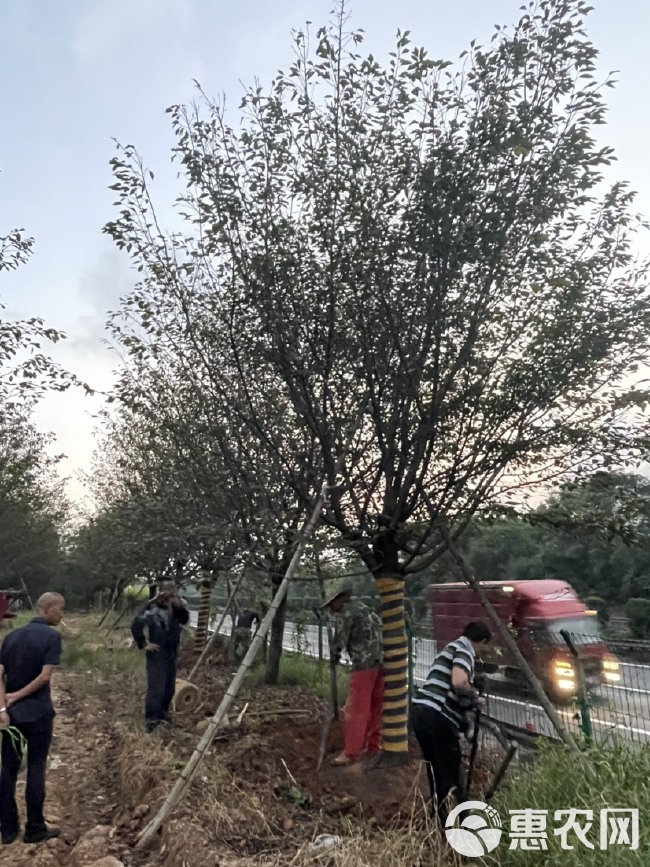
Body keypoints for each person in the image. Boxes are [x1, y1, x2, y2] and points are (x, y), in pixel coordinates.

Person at [410, 621, 492, 826]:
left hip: (421, 712)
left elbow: (459, 704)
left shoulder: (450, 648)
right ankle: (458, 824)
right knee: (450, 772)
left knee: (436, 770)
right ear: (481, 642)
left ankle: (441, 820)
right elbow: (459, 683)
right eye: (485, 647)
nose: (483, 653)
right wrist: (476, 697)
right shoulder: (464, 650)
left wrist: (469, 727)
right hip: (437, 714)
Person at [0, 592, 65, 845]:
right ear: (47, 608)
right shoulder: (51, 637)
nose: (62, 614)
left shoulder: (11, 636)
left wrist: (3, 708)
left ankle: (7, 829)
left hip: (11, 718)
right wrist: (16, 697)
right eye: (60, 609)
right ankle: (35, 828)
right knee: (36, 767)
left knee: (8, 769)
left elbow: (0, 674)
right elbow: (45, 677)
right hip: (38, 714)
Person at [323, 586, 383, 766]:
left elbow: (339, 640)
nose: (331, 608)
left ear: (338, 600)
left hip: (363, 665)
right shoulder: (365, 609)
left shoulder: (347, 613)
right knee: (376, 707)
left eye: (331, 604)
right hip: (381, 663)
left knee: (356, 709)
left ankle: (351, 753)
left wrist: (334, 656)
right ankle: (373, 746)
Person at [131, 581, 189, 733]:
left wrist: (178, 606)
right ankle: (151, 722)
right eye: (165, 590)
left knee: (169, 688)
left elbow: (184, 620)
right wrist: (144, 644)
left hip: (171, 652)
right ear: (160, 591)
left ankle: (163, 717)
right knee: (156, 688)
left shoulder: (178, 604)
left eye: (171, 589)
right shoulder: (152, 606)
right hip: (157, 652)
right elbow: (136, 624)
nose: (168, 593)